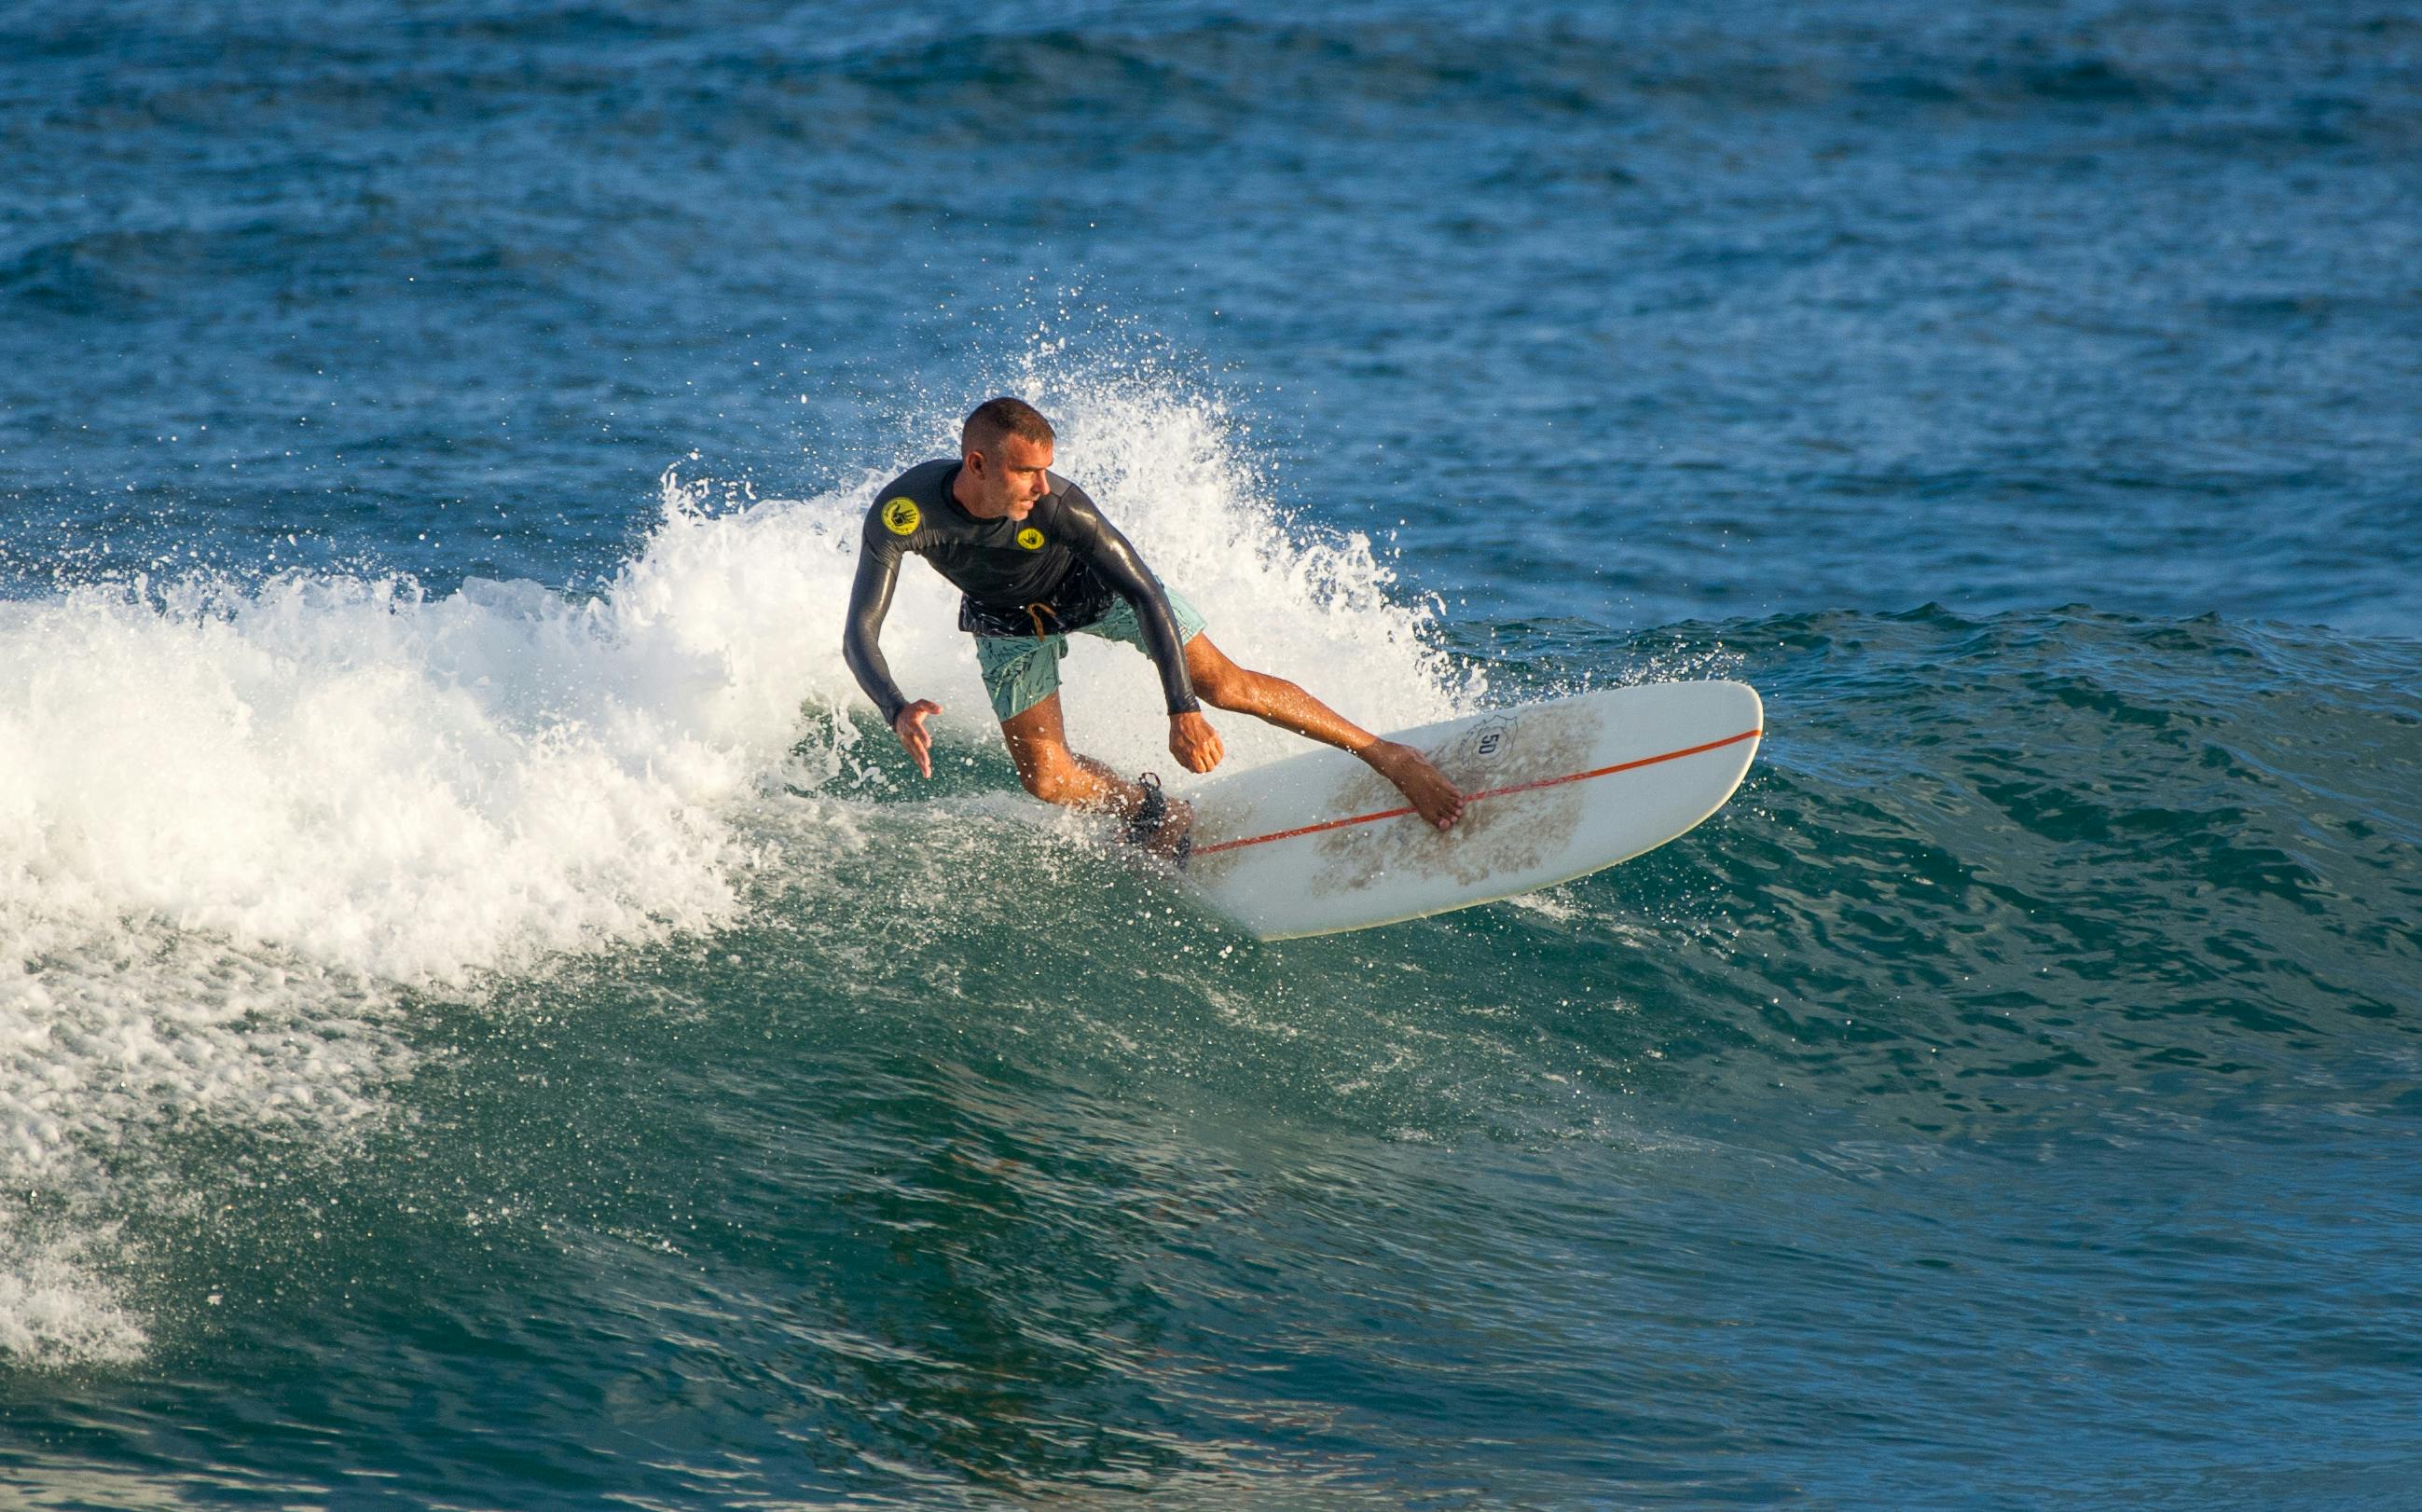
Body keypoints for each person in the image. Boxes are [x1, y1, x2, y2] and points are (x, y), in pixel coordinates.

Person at [842, 397, 1464, 856]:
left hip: (1096, 591)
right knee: (1047, 779)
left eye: (1047, 469)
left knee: (1225, 686)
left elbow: (1143, 592)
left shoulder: (1061, 506)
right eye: (1026, 472)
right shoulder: (905, 513)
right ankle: (1154, 813)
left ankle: (1387, 755)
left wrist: (1182, 708)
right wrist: (896, 708)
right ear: (977, 464)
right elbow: (860, 632)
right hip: (1005, 620)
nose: (1042, 484)